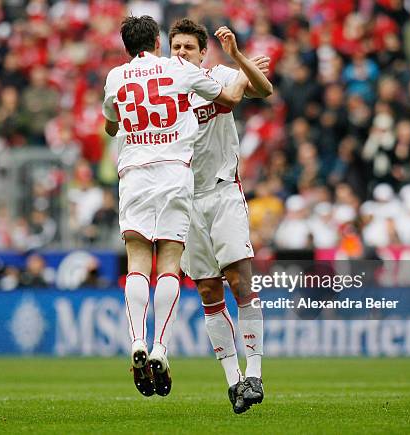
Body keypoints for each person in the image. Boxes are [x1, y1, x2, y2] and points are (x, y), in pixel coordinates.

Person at [102, 15, 259, 398]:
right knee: (170, 262)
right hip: (175, 175)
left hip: (135, 175)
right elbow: (229, 98)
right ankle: (160, 348)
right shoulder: (177, 69)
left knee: (138, 261)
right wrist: (238, 73)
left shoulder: (115, 77)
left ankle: (137, 340)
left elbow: (110, 126)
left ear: (126, 47)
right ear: (158, 42)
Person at [169, 18, 272, 413]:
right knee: (209, 292)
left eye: (188, 48)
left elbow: (264, 89)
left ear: (202, 52)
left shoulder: (221, 74)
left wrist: (239, 57)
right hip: (186, 200)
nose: (180, 54)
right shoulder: (164, 88)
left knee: (239, 282)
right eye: (175, 47)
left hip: (224, 191)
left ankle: (255, 374)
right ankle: (234, 382)